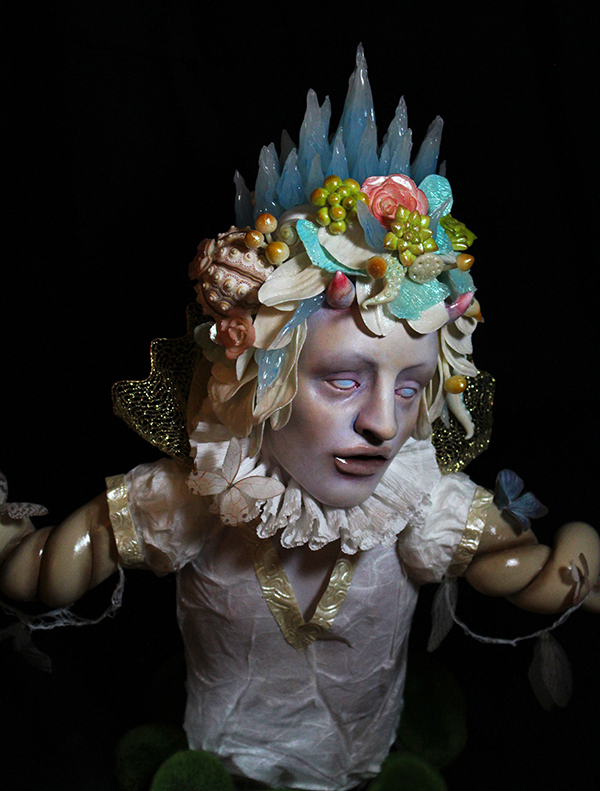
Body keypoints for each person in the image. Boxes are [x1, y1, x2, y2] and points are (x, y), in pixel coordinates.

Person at [1, 48, 599, 791]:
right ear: (259, 377)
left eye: (411, 388)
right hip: (222, 762)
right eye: (343, 380)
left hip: (364, 762)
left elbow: (533, 573)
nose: (382, 424)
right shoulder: (197, 498)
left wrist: (579, 559)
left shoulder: (417, 503)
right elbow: (50, 568)